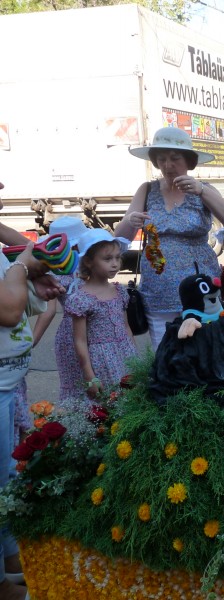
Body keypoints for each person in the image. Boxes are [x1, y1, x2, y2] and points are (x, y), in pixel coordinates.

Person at [0, 180, 63, 600]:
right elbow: (7, 311)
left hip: (8, 387)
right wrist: (23, 264)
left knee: (6, 475)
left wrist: (32, 280)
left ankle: (7, 557)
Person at [117, 127, 224, 348]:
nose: (167, 165)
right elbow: (121, 238)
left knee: (205, 345)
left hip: (199, 284)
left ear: (189, 161)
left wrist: (202, 191)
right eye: (161, 159)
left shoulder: (203, 189)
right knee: (164, 347)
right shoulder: (146, 189)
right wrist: (130, 220)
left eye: (174, 158)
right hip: (158, 286)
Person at [65, 230, 137, 403]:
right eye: (107, 259)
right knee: (109, 403)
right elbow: (80, 341)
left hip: (125, 354)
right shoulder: (81, 299)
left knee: (132, 402)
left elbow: (126, 327)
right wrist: (89, 375)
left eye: (117, 258)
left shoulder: (119, 291)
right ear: (88, 262)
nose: (115, 264)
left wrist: (135, 359)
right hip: (102, 360)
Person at [31, 217, 89, 402]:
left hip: (88, 331)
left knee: (92, 383)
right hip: (73, 334)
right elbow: (48, 309)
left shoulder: (92, 261)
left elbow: (49, 310)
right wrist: (32, 341)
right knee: (78, 385)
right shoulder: (53, 269)